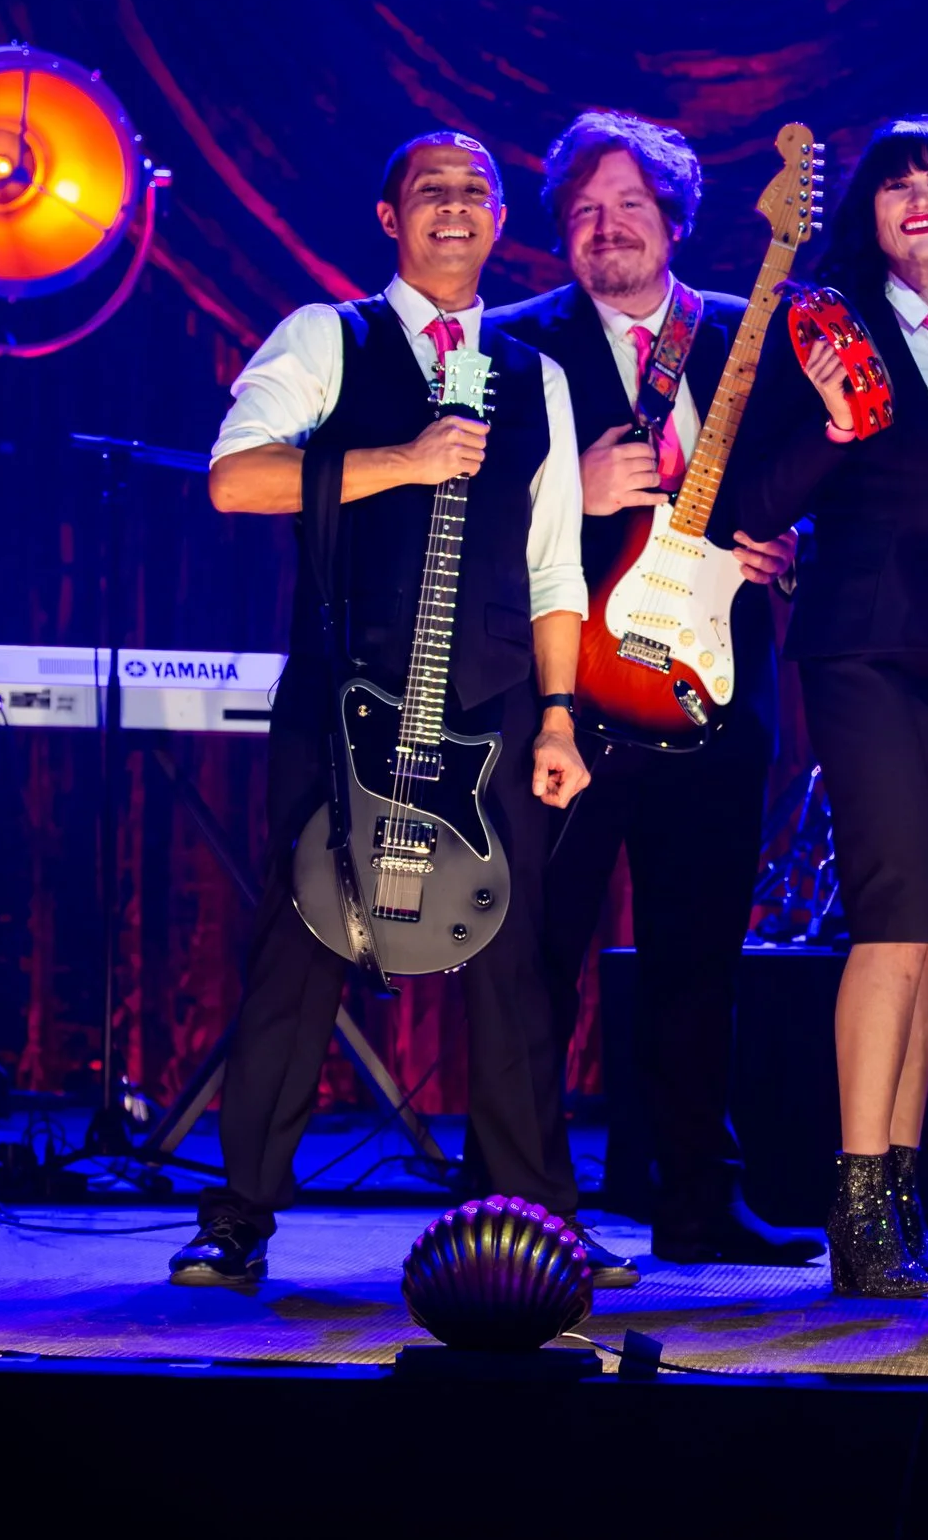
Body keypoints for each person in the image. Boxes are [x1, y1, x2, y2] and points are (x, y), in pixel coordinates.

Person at [175, 130, 621, 1289]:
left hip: (497, 700)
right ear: (390, 217)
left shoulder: (538, 375)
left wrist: (562, 715)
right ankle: (237, 1219)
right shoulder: (329, 337)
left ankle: (534, 1219)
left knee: (513, 962)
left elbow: (552, 568)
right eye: (433, 192)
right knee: (305, 943)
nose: (457, 211)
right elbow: (235, 476)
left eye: (477, 193)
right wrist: (400, 461)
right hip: (344, 697)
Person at [488, 112, 820, 1268]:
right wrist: (566, 488)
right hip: (567, 696)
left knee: (698, 958)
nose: (605, 227)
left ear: (674, 220)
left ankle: (698, 1199)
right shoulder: (508, 344)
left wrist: (784, 542)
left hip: (710, 689)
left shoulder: (748, 332)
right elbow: (455, 520)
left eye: (629, 205)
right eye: (582, 210)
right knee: (536, 951)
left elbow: (798, 480)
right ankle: (520, 1197)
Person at [737, 117, 928, 1298]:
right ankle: (855, 1203)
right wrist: (831, 422)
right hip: (866, 647)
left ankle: (903, 1198)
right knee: (888, 916)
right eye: (894, 185)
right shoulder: (820, 324)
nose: (919, 199)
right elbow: (748, 496)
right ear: (865, 213)